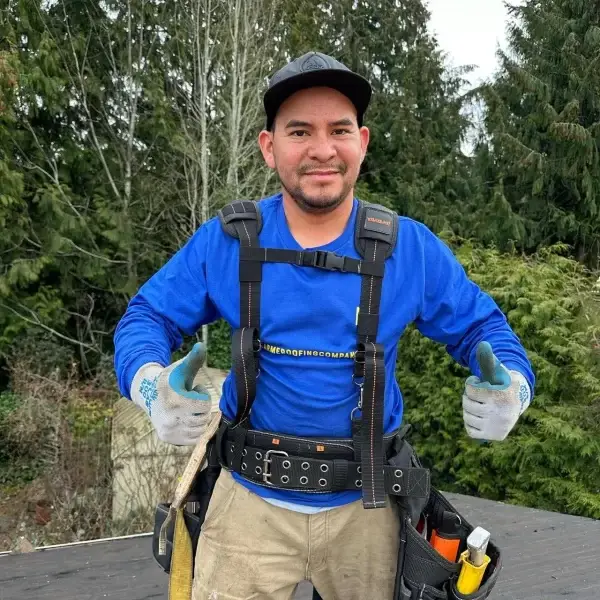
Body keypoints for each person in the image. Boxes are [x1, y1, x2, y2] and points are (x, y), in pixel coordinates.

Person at [114, 51, 534, 600]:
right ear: (269, 147)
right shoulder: (228, 241)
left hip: (370, 511)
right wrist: (151, 388)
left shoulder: (409, 249)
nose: (321, 149)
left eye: (338, 130)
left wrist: (512, 388)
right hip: (247, 506)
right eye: (299, 131)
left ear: (361, 141)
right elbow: (145, 317)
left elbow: (485, 329)